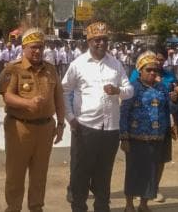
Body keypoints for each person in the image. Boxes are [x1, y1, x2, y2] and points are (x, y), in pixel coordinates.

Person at [62, 22, 134, 212]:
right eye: (97, 40)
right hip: (85, 127)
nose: (101, 43)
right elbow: (64, 91)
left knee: (104, 173)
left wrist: (118, 90)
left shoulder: (115, 64)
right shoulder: (77, 64)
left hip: (110, 129)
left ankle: (102, 207)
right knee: (80, 173)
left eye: (104, 40)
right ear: (89, 41)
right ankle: (79, 206)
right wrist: (70, 117)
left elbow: (130, 90)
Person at [0, 28, 66, 212]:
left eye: (41, 48)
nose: (37, 51)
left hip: (45, 129)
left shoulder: (50, 69)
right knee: (15, 174)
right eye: (33, 47)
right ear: (24, 47)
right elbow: (7, 96)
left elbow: (59, 98)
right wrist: (27, 103)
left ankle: (36, 207)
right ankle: (13, 208)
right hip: (20, 128)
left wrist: (61, 124)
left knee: (39, 174)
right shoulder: (13, 68)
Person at [120, 51, 177, 212]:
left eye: (155, 70)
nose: (153, 73)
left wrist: (174, 100)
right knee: (133, 171)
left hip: (157, 138)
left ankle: (143, 204)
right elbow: (124, 113)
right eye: (148, 70)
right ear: (140, 71)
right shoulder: (132, 89)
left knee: (151, 173)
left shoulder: (162, 88)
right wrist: (124, 137)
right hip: (135, 138)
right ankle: (129, 204)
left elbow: (170, 109)